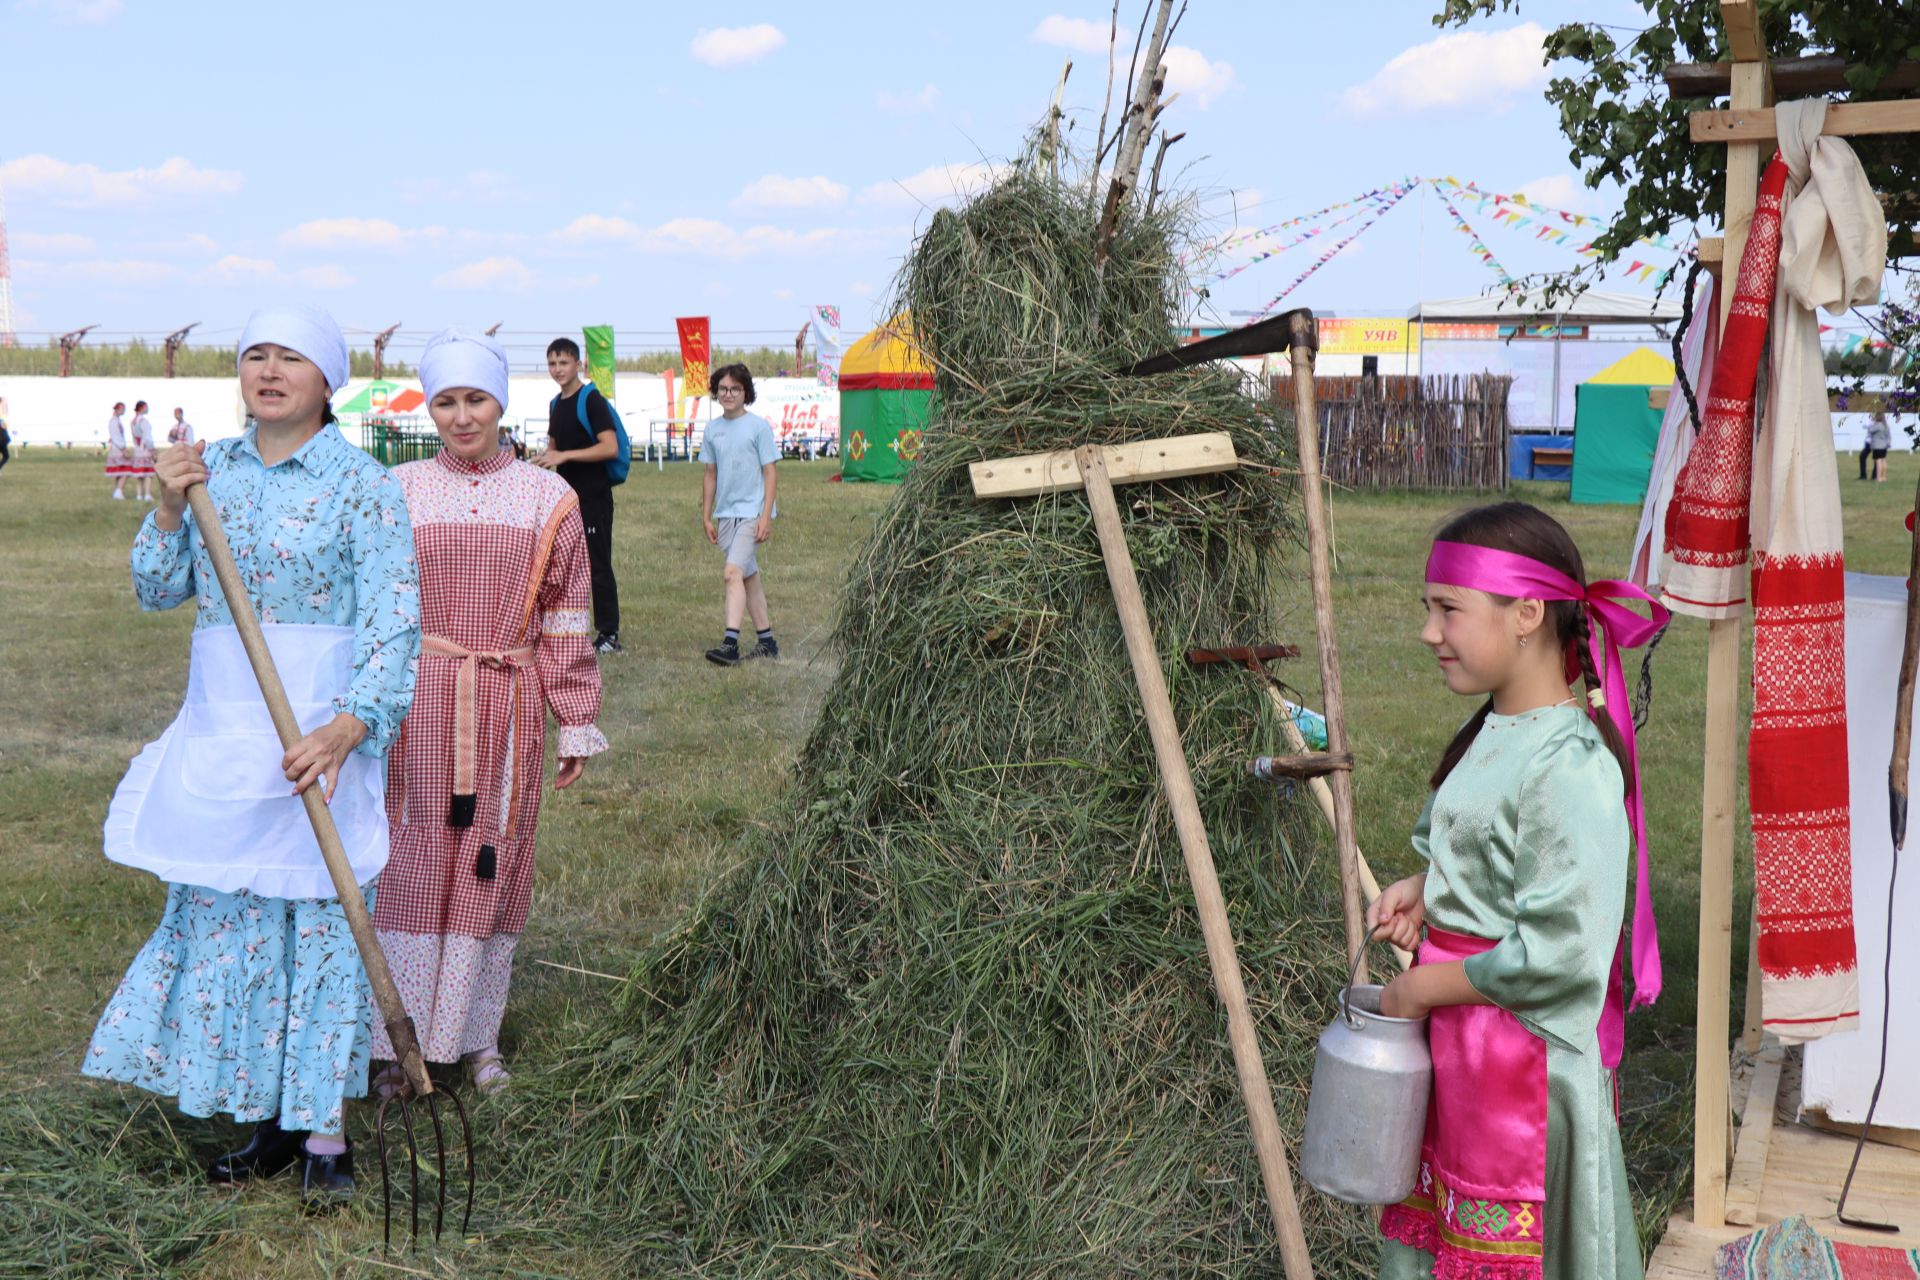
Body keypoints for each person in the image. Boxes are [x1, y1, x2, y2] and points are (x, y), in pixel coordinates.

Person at [82, 304, 420, 1210]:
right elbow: (157, 592)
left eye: (291, 358)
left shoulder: (363, 487)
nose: (269, 371)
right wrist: (163, 505)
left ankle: (324, 1134)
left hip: (319, 736)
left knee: (321, 925)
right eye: (255, 356)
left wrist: (351, 727)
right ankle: (263, 1116)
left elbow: (395, 624)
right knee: (233, 922)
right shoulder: (208, 475)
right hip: (229, 725)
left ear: (328, 380)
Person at [1368, 501, 1667, 1279]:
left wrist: (1422, 987)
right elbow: (1490, 851)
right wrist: (1427, 888)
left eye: (1448, 610)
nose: (1429, 632)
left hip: (1521, 1072)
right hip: (1467, 1056)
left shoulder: (1571, 767)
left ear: (1528, 613)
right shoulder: (1497, 731)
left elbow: (1562, 953)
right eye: (1428, 609)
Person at [369, 330, 607, 1096]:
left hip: (504, 703)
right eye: (446, 401)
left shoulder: (550, 498)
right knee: (409, 863)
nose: (462, 417)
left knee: (488, 859)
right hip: (416, 705)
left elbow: (569, 614)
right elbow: (371, 606)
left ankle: (475, 1039)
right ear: (429, 406)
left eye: (476, 400)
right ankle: (397, 1045)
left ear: (501, 402)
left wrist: (573, 714)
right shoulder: (398, 488)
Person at [536, 338, 621, 654]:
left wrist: (565, 457)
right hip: (565, 500)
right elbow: (554, 448)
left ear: (578, 365)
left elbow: (609, 447)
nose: (558, 369)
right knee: (564, 565)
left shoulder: (592, 399)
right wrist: (543, 460)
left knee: (597, 565)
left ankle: (609, 633)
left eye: (563, 362)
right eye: (552, 363)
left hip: (593, 497)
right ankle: (567, 628)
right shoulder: (556, 404)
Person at [698, 363, 780, 666]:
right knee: (748, 577)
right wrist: (707, 516)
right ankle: (767, 641)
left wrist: (766, 515)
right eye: (723, 388)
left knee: (732, 573)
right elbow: (710, 473)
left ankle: (730, 643)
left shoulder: (758, 426)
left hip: (752, 514)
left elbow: (770, 472)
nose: (728, 393)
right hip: (726, 516)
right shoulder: (712, 429)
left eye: (735, 388)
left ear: (745, 392)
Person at [128, 400, 158, 502]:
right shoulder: (143, 421)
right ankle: (147, 494)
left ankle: (139, 495)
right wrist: (152, 450)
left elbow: (134, 436)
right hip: (145, 449)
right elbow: (147, 437)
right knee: (149, 473)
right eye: (146, 407)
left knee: (139, 474)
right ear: (142, 407)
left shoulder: (133, 421)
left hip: (137, 449)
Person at [105, 401, 132, 498]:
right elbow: (116, 436)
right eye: (122, 409)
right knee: (126, 470)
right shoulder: (114, 421)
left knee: (119, 471)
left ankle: (117, 490)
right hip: (118, 449)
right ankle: (119, 490)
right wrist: (123, 448)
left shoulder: (116, 420)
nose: (123, 411)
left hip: (117, 448)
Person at [1866, 408, 1891, 482]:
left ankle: (1879, 477)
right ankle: (1884, 477)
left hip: (1877, 446)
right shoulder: (1886, 426)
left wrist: (1872, 422)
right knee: (1883, 461)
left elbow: (1870, 430)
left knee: (1878, 461)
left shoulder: (1878, 425)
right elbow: (1888, 436)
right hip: (1884, 446)